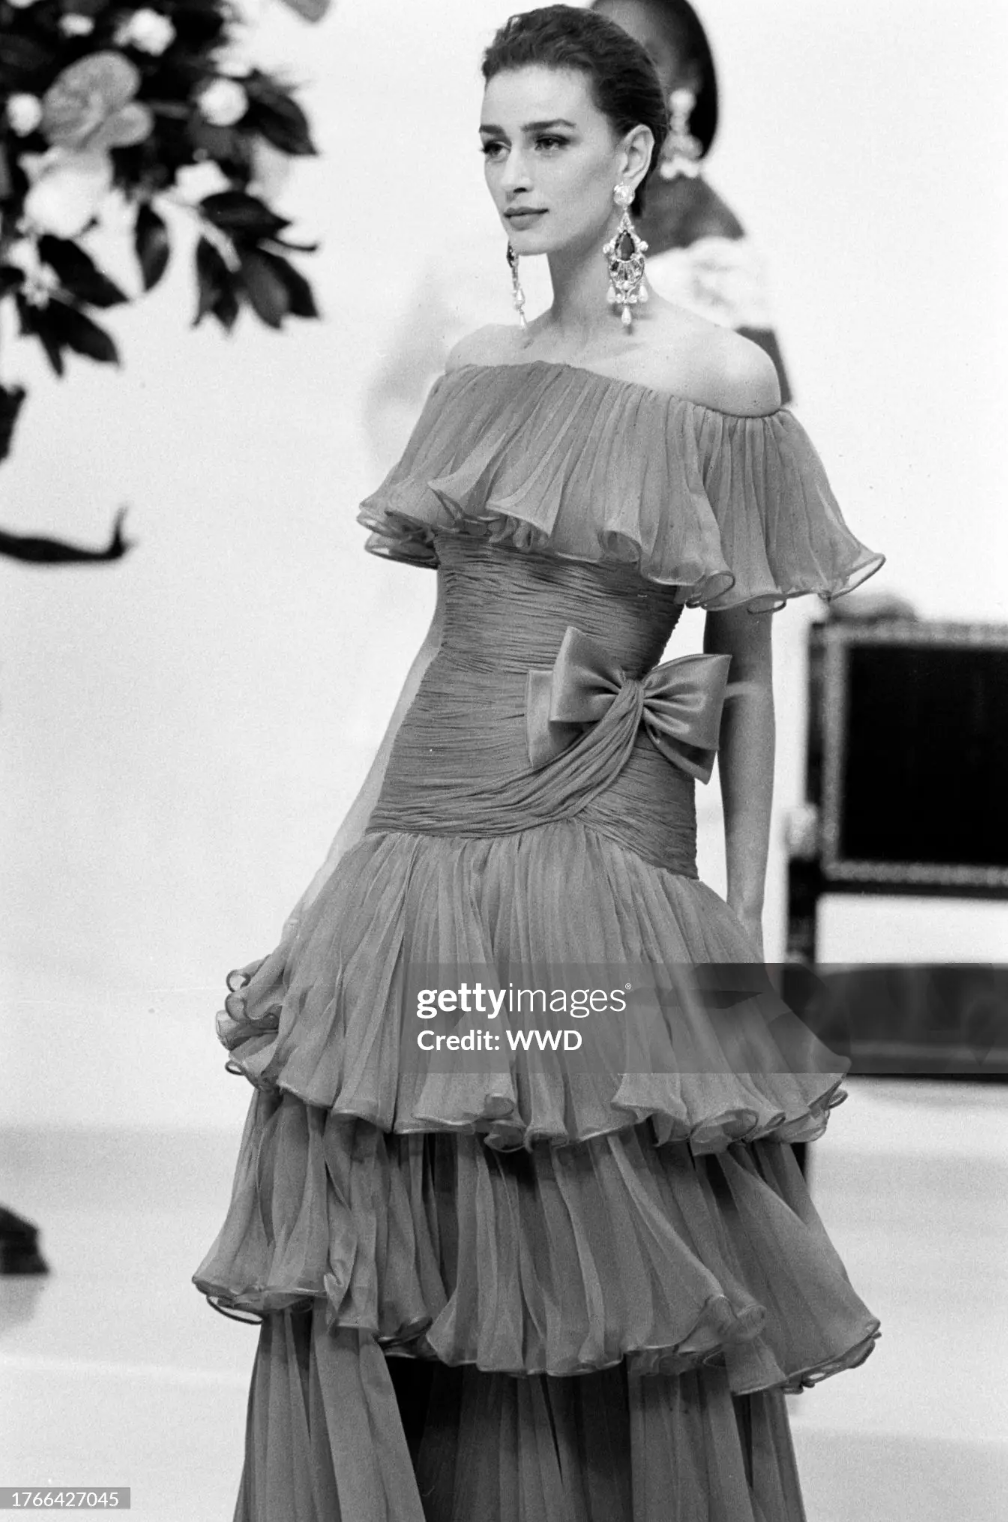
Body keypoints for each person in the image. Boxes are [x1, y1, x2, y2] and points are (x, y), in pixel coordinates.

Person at [193, 8, 884, 1517]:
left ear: (635, 152)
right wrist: (322, 896)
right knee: (392, 1259)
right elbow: (444, 658)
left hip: (600, 872)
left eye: (550, 140)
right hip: (417, 870)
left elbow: (746, 664)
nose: (513, 174)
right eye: (494, 141)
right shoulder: (478, 364)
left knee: (596, 1256)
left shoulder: (721, 379)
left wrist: (742, 938)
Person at [592, 0, 793, 402]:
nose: (618, 81)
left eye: (644, 59)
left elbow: (767, 415)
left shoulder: (707, 229)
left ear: (689, 77)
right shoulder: (576, 208)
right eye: (598, 61)